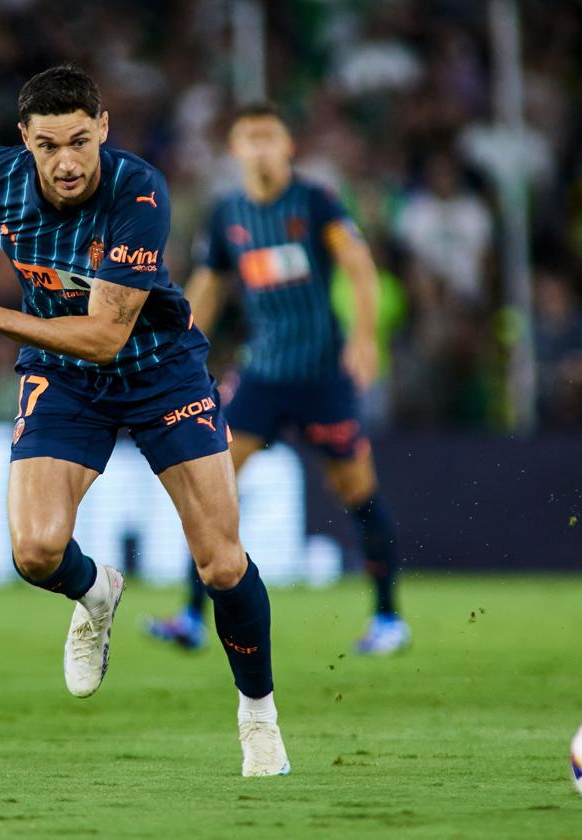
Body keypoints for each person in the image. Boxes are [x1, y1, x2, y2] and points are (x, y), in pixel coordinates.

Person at [0, 65, 288, 777]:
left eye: (80, 141)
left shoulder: (138, 191)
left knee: (221, 562)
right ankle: (96, 593)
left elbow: (107, 336)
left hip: (158, 370)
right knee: (34, 552)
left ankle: (258, 716)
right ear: (24, 140)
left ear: (103, 129)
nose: (66, 162)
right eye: (49, 144)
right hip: (65, 378)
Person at [144, 102, 410, 655]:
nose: (261, 147)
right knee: (212, 484)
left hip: (321, 376)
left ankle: (388, 618)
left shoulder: (315, 203)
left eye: (271, 137)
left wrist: (364, 338)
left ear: (290, 147)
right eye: (250, 138)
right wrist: (176, 345)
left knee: (355, 489)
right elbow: (211, 287)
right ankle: (191, 617)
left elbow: (359, 265)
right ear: (235, 150)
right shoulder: (227, 214)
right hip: (262, 373)